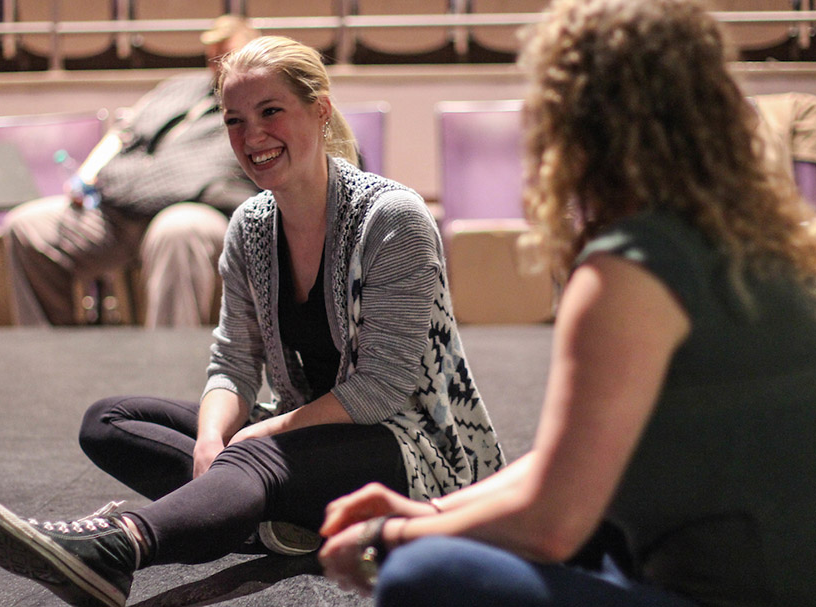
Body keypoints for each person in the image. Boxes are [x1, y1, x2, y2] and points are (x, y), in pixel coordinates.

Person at [0, 35, 505, 607]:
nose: (251, 137)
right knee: (108, 421)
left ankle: (119, 548)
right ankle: (272, 516)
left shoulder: (392, 217)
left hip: (407, 447)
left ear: (319, 111)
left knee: (253, 453)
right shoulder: (250, 224)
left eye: (271, 111)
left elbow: (384, 388)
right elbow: (232, 362)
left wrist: (257, 435)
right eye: (234, 120)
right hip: (304, 432)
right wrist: (210, 438)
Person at [318, 1, 816, 606]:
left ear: (575, 119)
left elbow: (551, 525)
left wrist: (388, 537)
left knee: (419, 573)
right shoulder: (763, 241)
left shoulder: (627, 270)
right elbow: (574, 461)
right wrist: (434, 507)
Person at [2, 15, 260, 328]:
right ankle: (49, 353)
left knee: (177, 230)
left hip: (197, 210)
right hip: (121, 208)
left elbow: (210, 174)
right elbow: (122, 139)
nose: (219, 65)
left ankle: (167, 362)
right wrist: (94, 177)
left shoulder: (255, 105)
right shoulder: (177, 89)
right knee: (27, 226)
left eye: (228, 55)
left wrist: (132, 181)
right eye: (213, 56)